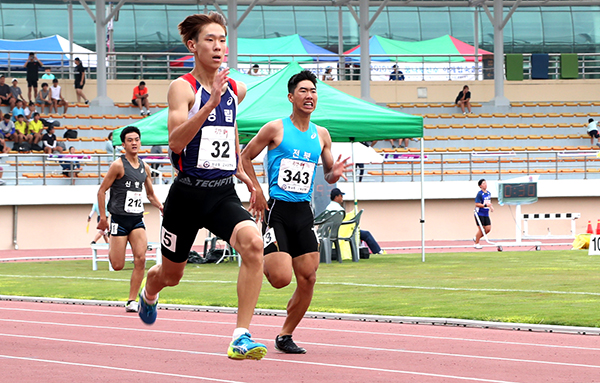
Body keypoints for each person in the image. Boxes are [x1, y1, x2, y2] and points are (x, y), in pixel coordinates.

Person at [138, 12, 268, 361]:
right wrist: (208, 104)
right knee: (171, 275)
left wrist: (242, 172)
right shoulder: (183, 88)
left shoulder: (235, 88)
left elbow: (230, 129)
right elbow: (176, 143)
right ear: (193, 45)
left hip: (222, 192)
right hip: (186, 195)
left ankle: (241, 336)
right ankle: (149, 291)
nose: (218, 46)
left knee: (253, 244)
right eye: (210, 39)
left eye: (222, 39)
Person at [240, 70, 352, 354]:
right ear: (291, 97)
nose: (309, 96)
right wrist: (257, 190)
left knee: (309, 277)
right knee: (280, 280)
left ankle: (285, 335)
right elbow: (244, 157)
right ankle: (255, 258)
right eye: (303, 91)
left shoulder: (322, 135)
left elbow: (328, 175)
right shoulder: (274, 128)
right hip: (277, 209)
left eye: (313, 91)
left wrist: (334, 173)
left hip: (303, 211)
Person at [96, 126, 163, 312]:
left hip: (136, 220)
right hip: (118, 219)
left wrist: (161, 206)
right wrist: (103, 218)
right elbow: (102, 191)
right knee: (117, 265)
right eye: (130, 140)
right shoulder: (118, 165)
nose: (134, 143)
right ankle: (112, 245)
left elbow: (150, 194)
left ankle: (132, 300)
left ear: (140, 142)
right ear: (123, 144)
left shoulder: (144, 167)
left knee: (141, 259)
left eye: (136, 139)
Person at [325, 188, 385, 255]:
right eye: (341, 196)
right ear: (336, 197)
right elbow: (342, 220)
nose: (342, 198)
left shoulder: (328, 207)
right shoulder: (338, 208)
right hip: (342, 232)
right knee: (366, 234)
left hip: (335, 231)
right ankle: (378, 251)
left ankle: (377, 251)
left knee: (363, 233)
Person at [474, 178, 493, 249]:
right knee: (481, 229)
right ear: (480, 186)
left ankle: (476, 237)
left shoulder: (488, 193)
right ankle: (476, 243)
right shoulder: (479, 194)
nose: (485, 185)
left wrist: (491, 207)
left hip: (486, 213)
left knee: (488, 229)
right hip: (479, 213)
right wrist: (485, 206)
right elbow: (477, 204)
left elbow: (488, 202)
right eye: (483, 183)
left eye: (486, 183)